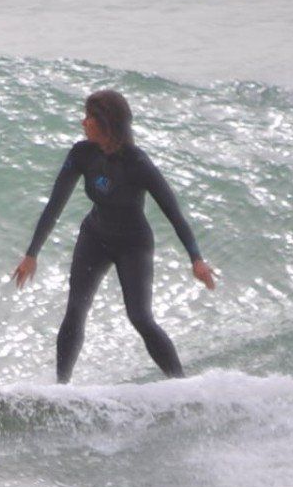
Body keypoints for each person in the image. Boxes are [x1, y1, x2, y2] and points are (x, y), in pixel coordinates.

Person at [11, 89, 215, 382]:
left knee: (140, 318)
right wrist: (32, 254)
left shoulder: (138, 164)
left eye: (90, 118)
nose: (83, 122)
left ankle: (181, 386)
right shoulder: (82, 154)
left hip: (133, 245)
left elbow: (173, 212)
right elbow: (55, 204)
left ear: (106, 123)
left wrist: (196, 259)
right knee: (75, 311)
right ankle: (61, 389)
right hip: (94, 237)